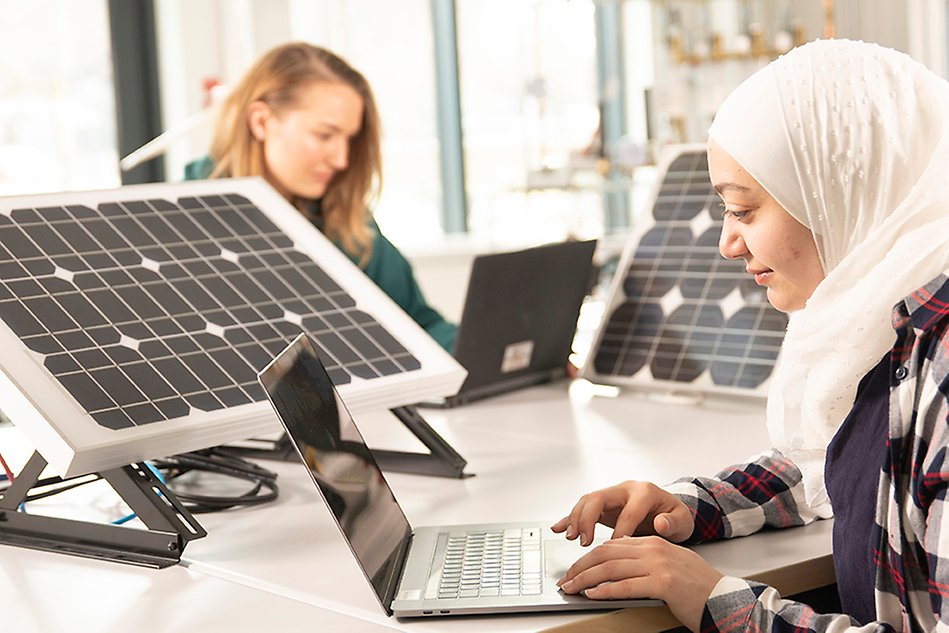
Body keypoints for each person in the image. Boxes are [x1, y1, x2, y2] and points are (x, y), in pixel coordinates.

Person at [552, 38, 949, 631]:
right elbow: (843, 467)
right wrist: (690, 508)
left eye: (743, 211)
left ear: (836, 191)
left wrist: (717, 600)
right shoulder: (891, 335)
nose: (727, 244)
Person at [185, 42, 457, 352]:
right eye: (324, 135)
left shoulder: (347, 221)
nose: (342, 159)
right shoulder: (183, 225)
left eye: (350, 139)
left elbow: (420, 327)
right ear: (261, 121)